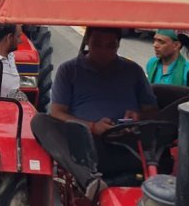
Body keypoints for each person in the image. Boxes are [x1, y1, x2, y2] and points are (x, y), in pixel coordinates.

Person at [50, 27, 157, 177]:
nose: (103, 52)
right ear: (87, 40)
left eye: (110, 46)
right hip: (87, 144)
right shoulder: (68, 70)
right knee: (39, 122)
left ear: (118, 45)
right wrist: (92, 127)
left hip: (129, 142)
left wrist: (138, 116)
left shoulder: (133, 71)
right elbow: (56, 112)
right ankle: (90, 181)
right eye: (97, 44)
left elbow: (152, 111)